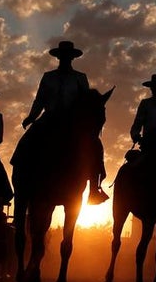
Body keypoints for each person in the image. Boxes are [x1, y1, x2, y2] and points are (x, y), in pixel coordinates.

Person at [21, 40, 109, 204]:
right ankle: (22, 178)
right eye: (63, 56)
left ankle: (94, 189)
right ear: (58, 57)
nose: (65, 58)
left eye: (68, 56)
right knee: (26, 142)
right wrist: (32, 116)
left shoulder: (80, 78)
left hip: (72, 121)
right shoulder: (48, 77)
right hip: (49, 118)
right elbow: (40, 99)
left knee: (95, 146)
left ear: (72, 58)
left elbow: (86, 100)